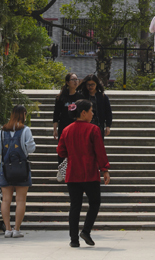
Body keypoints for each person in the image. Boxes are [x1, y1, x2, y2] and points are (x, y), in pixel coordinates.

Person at [57, 98, 110, 248]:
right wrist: (104, 169)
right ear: (84, 112)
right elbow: (100, 151)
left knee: (75, 206)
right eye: (91, 111)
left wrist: (71, 153)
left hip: (73, 173)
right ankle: (86, 231)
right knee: (94, 203)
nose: (93, 113)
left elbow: (60, 150)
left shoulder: (67, 130)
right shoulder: (93, 129)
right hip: (89, 173)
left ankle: (74, 239)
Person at [0, 105, 36, 238]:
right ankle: (16, 229)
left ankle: (7, 229)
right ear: (24, 114)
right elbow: (31, 148)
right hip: (21, 168)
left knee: (6, 200)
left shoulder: (2, 131)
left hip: (6, 169)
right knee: (20, 200)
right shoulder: (25, 130)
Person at [79, 74, 113, 138]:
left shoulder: (102, 96)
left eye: (92, 84)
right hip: (85, 125)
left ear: (96, 84)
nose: (90, 87)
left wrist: (108, 126)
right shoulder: (82, 96)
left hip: (98, 125)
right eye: (88, 85)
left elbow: (108, 112)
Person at [53, 73, 81, 144]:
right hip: (64, 126)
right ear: (67, 82)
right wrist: (55, 129)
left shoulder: (80, 97)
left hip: (76, 127)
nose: (75, 81)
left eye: (76, 79)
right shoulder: (61, 97)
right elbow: (56, 114)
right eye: (72, 80)